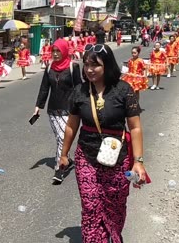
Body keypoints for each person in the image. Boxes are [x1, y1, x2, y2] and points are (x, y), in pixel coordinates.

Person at [59, 44, 147, 242]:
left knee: (115, 205)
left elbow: (135, 127)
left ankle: (113, 236)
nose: (89, 69)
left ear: (107, 65)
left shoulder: (123, 90)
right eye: (86, 64)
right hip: (86, 157)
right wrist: (64, 154)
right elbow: (72, 125)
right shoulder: (79, 91)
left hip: (118, 159)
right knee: (90, 206)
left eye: (95, 65)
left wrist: (138, 161)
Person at [34, 39, 82, 183]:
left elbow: (79, 88)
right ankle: (68, 160)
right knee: (60, 138)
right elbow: (44, 88)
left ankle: (59, 168)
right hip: (53, 111)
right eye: (53, 51)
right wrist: (38, 107)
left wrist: (81, 107)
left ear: (64, 51)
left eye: (58, 51)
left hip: (70, 110)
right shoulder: (49, 67)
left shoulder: (73, 67)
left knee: (62, 137)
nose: (55, 54)